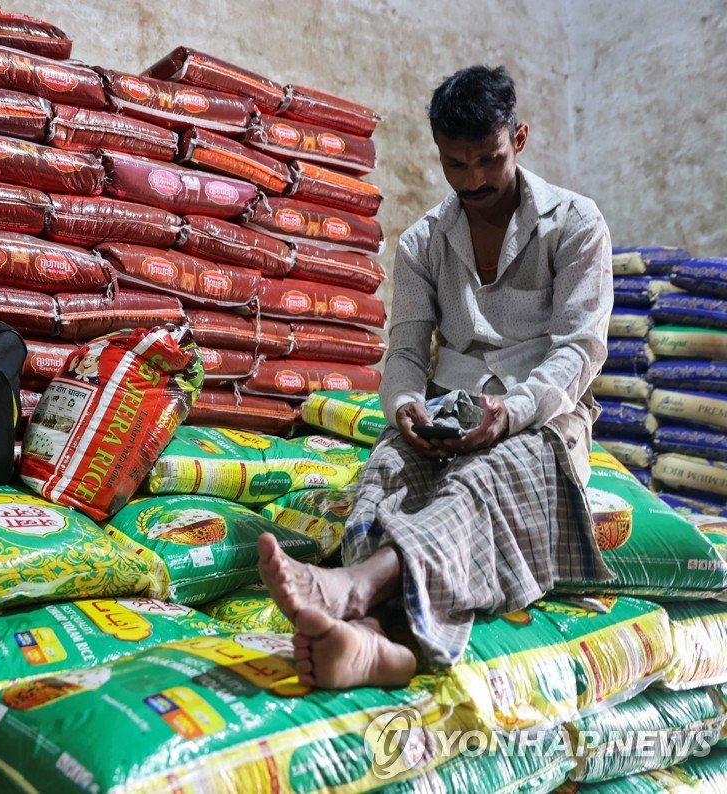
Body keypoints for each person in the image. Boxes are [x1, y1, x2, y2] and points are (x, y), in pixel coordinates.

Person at [259, 65, 614, 689]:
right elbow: (404, 351)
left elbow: (579, 351)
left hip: (544, 416)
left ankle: (352, 589)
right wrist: (404, 408)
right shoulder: (423, 241)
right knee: (386, 474)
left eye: (489, 159)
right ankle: (375, 644)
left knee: (479, 479)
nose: (474, 180)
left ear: (519, 139)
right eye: (456, 164)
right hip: (445, 409)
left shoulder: (576, 223)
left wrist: (510, 414)